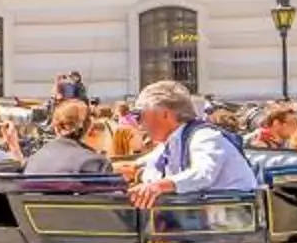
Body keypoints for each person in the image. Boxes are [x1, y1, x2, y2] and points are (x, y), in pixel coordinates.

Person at [125, 80, 261, 209]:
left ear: (164, 114)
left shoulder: (204, 136)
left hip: (232, 217)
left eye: (140, 116)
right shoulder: (171, 142)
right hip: (201, 217)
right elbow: (146, 166)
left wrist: (159, 186)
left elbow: (203, 173)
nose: (140, 124)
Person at [21, 97, 115, 180]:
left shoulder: (35, 160)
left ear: (55, 126)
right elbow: (111, 199)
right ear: (88, 125)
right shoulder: (94, 162)